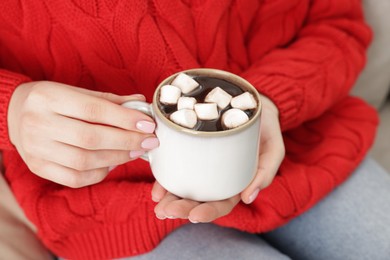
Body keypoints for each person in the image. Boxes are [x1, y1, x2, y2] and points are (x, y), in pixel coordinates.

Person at [0, 0, 389, 259]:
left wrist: (271, 100)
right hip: (106, 201)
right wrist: (11, 108)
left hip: (303, 149)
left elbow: (336, 25)